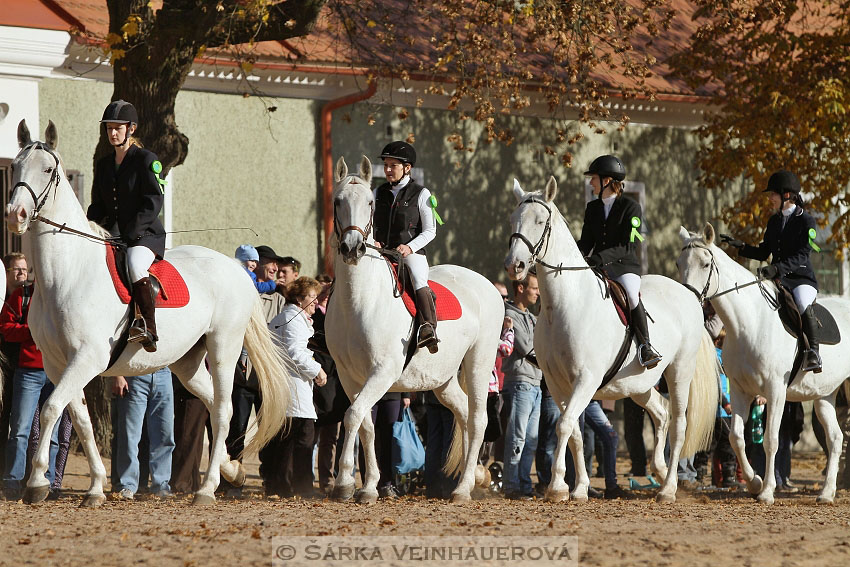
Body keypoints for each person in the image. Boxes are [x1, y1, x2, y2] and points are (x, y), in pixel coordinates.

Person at [720, 170, 822, 372]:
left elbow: (802, 256)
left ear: (786, 195)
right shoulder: (774, 221)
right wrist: (741, 247)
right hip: (778, 279)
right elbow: (763, 252)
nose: (770, 198)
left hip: (801, 279)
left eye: (773, 194)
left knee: (801, 302)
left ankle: (814, 353)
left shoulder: (806, 221)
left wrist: (776, 268)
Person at [87, 100, 166, 353]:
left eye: (117, 128)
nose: (112, 133)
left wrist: (132, 232)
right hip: (114, 234)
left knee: (134, 263)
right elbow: (98, 205)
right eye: (109, 128)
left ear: (131, 129)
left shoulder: (146, 160)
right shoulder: (103, 165)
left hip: (144, 236)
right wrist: (88, 225)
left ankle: (149, 327)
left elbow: (153, 201)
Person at [577, 155, 660, 368]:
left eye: (594, 178)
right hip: (597, 266)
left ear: (607, 181)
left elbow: (629, 245)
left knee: (632, 295)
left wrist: (599, 258)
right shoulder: (592, 209)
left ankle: (646, 346)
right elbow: (586, 242)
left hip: (624, 267)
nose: (590, 183)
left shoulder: (631, 207)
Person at [373, 141, 440, 353]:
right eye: (386, 165)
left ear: (407, 168)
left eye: (393, 165)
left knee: (418, 278)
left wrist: (410, 247)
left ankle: (428, 327)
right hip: (381, 251)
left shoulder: (421, 194)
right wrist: (372, 241)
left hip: (410, 253)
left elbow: (430, 231)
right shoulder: (378, 192)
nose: (388, 170)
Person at [266, 277, 327, 497]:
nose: (315, 301)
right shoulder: (292, 319)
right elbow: (295, 352)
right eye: (311, 296)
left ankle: (284, 487)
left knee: (288, 441)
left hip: (290, 387)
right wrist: (317, 370)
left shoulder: (290, 317)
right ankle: (299, 488)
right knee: (301, 440)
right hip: (293, 387)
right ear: (300, 299)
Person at [1, 275, 61, 501]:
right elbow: (6, 328)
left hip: (57, 371)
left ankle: (49, 481)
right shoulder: (23, 295)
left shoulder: (63, 294)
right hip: (28, 371)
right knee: (19, 430)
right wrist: (35, 330)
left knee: (52, 433)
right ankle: (12, 481)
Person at [501, 272, 542, 500]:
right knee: (517, 436)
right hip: (520, 383)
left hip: (535, 383)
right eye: (534, 288)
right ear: (520, 288)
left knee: (531, 439)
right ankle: (511, 485)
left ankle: (525, 484)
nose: (538, 293)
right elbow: (528, 347)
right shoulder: (510, 315)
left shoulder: (533, 318)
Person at [111, 368, 175, 500]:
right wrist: (117, 374)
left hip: (164, 374)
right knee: (130, 436)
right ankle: (127, 485)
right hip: (134, 374)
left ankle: (161, 485)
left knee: (165, 434)